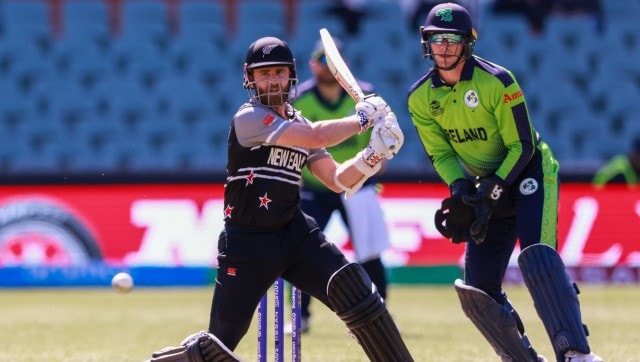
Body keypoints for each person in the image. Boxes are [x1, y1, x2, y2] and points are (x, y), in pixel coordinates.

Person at [146, 36, 412, 361]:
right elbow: (316, 135)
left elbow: (338, 180)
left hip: (296, 233)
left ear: (291, 74)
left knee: (356, 292)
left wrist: (373, 155)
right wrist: (362, 120)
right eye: (264, 73)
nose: (272, 80)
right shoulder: (249, 118)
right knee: (220, 344)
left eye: (278, 72)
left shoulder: (298, 120)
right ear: (250, 77)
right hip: (248, 242)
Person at [407, 3, 602, 362]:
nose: (445, 48)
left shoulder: (498, 81)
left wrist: (493, 190)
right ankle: (521, 357)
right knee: (477, 288)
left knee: (537, 258)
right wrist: (461, 190)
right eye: (437, 39)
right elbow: (442, 155)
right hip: (484, 185)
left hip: (529, 172)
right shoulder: (420, 98)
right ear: (427, 43)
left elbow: (522, 144)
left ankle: (575, 353)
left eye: (453, 40)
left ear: (468, 43)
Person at [286, 39, 391, 334]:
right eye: (320, 60)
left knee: (369, 252)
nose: (326, 67)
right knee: (302, 250)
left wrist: (376, 165)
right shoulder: (300, 99)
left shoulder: (366, 97)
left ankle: (380, 313)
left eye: (331, 61)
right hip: (314, 188)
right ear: (312, 64)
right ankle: (301, 316)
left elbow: (384, 140)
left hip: (359, 185)